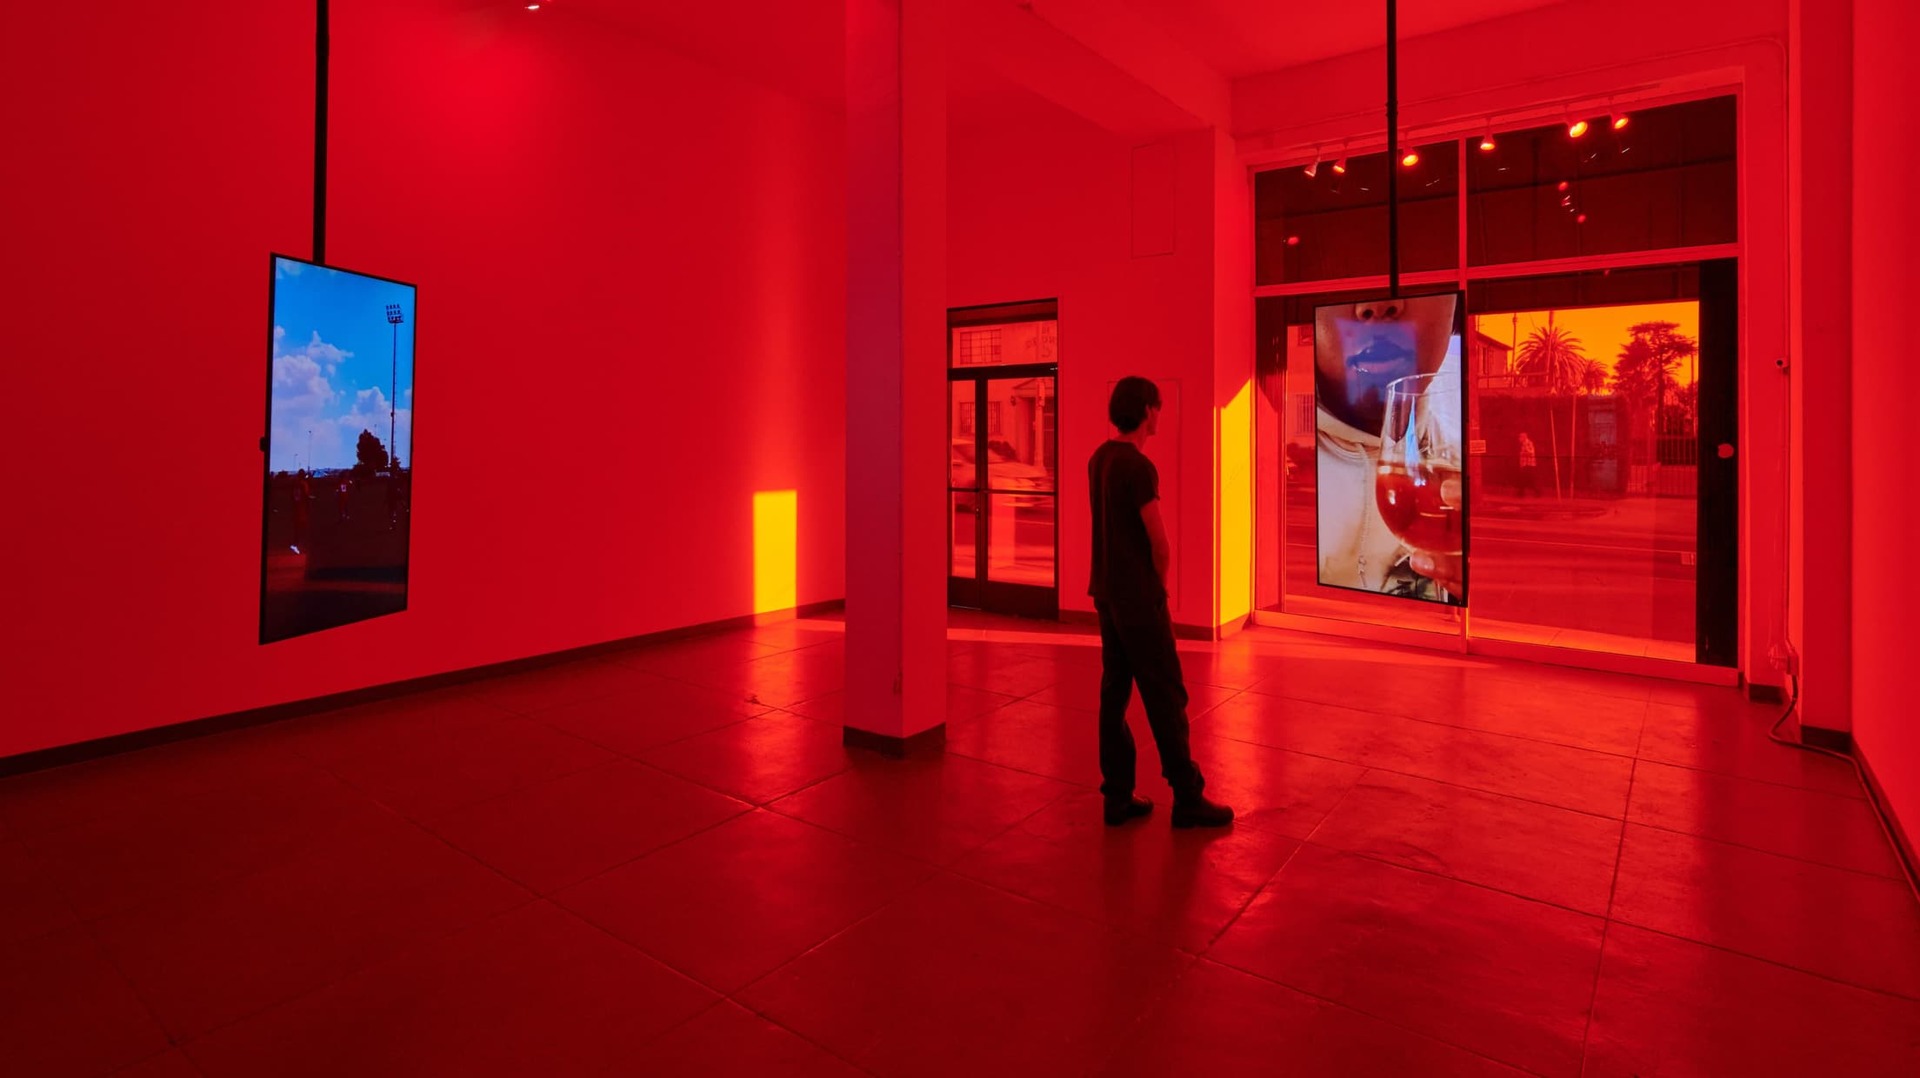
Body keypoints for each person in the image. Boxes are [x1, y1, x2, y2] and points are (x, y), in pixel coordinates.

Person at [1088, 377, 1234, 829]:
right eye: (1159, 407)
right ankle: (1187, 796)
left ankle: (1116, 796)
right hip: (1137, 599)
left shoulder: (1100, 459)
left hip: (1107, 595)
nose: (1161, 414)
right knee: (1165, 695)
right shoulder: (1138, 466)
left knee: (1114, 693)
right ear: (1147, 411)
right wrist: (1161, 589)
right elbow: (1159, 542)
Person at [1312, 295, 1464, 601]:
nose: (1377, 304)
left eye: (1418, 265)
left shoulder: (1461, 450)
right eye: (1343, 275)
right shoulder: (1252, 446)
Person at [1516, 431, 1539, 497]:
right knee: (1524, 479)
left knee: (1527, 479)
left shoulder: (1528, 443)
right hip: (1525, 465)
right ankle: (1521, 493)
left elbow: (1531, 453)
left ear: (1524, 437)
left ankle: (1536, 492)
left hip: (1529, 465)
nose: (1519, 439)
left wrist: (1524, 453)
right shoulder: (1524, 444)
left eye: (1520, 437)